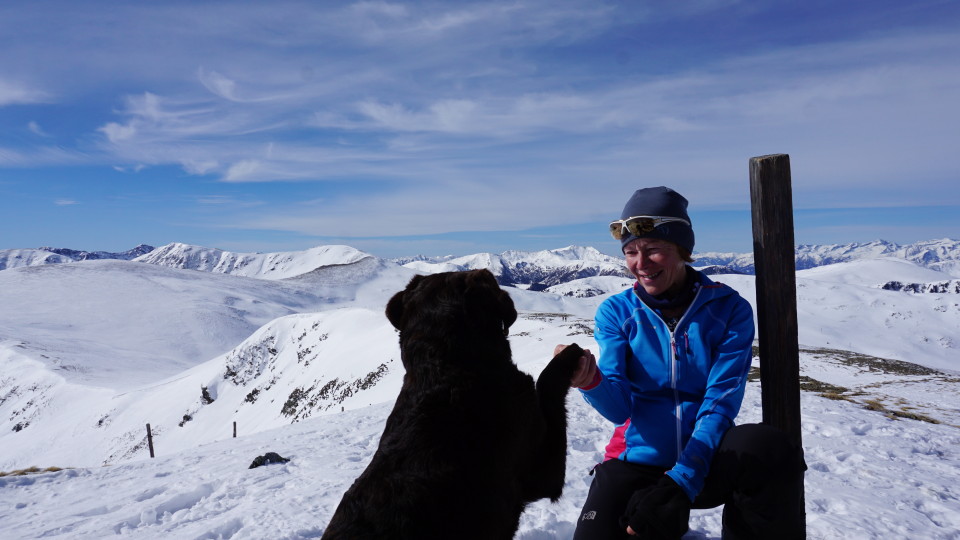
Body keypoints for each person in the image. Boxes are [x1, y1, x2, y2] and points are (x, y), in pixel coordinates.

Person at [560, 186, 806, 540]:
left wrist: (682, 479)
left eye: (653, 250)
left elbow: (719, 403)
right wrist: (591, 382)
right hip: (636, 462)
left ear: (682, 249)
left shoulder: (728, 310)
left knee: (767, 448)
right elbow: (619, 409)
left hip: (706, 460)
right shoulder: (617, 312)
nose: (640, 265)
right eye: (630, 252)